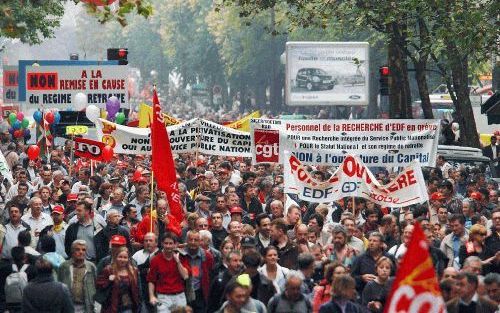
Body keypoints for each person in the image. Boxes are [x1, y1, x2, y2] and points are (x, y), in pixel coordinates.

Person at [148, 232, 190, 313]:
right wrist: (151, 296)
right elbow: (151, 280)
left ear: (176, 244)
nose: (168, 246)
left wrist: (178, 262)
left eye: (171, 243)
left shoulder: (182, 257)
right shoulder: (155, 259)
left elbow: (185, 276)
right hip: (163, 297)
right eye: (166, 243)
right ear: (162, 244)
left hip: (179, 296)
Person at [96, 246, 141, 313]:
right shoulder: (108, 270)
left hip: (128, 306)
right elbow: (98, 286)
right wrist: (109, 281)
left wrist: (138, 304)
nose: (122, 259)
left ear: (128, 259)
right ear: (115, 257)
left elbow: (138, 289)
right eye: (120, 257)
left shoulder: (134, 271)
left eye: (125, 257)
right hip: (111, 307)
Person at [58, 240, 97, 313]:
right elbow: (59, 285)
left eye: (83, 250)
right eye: (77, 249)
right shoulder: (64, 267)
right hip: (68, 306)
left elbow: (96, 285)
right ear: (72, 251)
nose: (81, 252)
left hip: (86, 306)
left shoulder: (91, 267)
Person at [182, 230, 214, 313]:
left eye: (196, 240)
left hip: (200, 293)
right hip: (183, 292)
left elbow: (210, 274)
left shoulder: (207, 256)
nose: (193, 242)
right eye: (190, 239)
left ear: (200, 241)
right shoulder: (180, 255)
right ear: (186, 241)